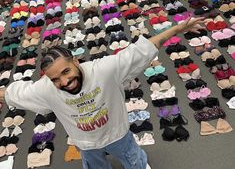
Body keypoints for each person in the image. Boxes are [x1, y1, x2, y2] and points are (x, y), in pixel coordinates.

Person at [0, 17, 205, 169]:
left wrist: (178, 28)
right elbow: (14, 92)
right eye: (55, 79)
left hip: (117, 133)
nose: (64, 82)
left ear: (76, 62)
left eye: (66, 71)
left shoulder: (104, 69)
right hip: (86, 143)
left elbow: (142, 49)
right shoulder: (45, 88)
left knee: (134, 160)